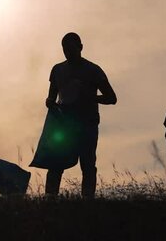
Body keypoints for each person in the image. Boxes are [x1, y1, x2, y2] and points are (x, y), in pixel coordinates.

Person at [44, 32, 117, 197]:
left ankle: (87, 200)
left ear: (80, 48)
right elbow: (51, 94)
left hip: (87, 123)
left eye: (71, 48)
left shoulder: (93, 70)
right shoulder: (57, 70)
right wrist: (49, 101)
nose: (68, 52)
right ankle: (50, 199)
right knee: (55, 163)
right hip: (63, 124)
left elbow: (112, 98)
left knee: (88, 163)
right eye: (65, 49)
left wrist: (90, 97)